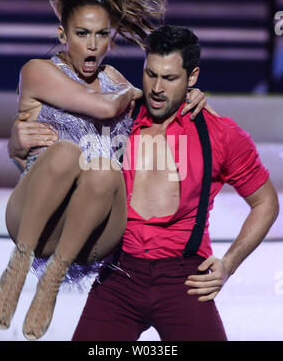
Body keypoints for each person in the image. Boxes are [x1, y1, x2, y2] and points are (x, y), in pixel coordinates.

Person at [0, 0, 210, 341]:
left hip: (92, 235)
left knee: (106, 170)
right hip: (37, 220)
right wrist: (16, 144)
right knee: (64, 154)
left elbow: (159, 98)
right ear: (63, 35)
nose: (92, 45)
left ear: (112, 37)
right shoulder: (38, 72)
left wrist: (188, 94)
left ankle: (52, 281)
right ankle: (19, 263)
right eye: (81, 34)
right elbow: (101, 108)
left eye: (101, 34)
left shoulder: (119, 82)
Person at [69, 26, 278, 341]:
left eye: (169, 78)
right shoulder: (118, 119)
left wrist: (229, 264)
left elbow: (266, 203)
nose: (156, 87)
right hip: (119, 275)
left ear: (192, 77)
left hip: (186, 278)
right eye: (150, 74)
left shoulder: (219, 133)